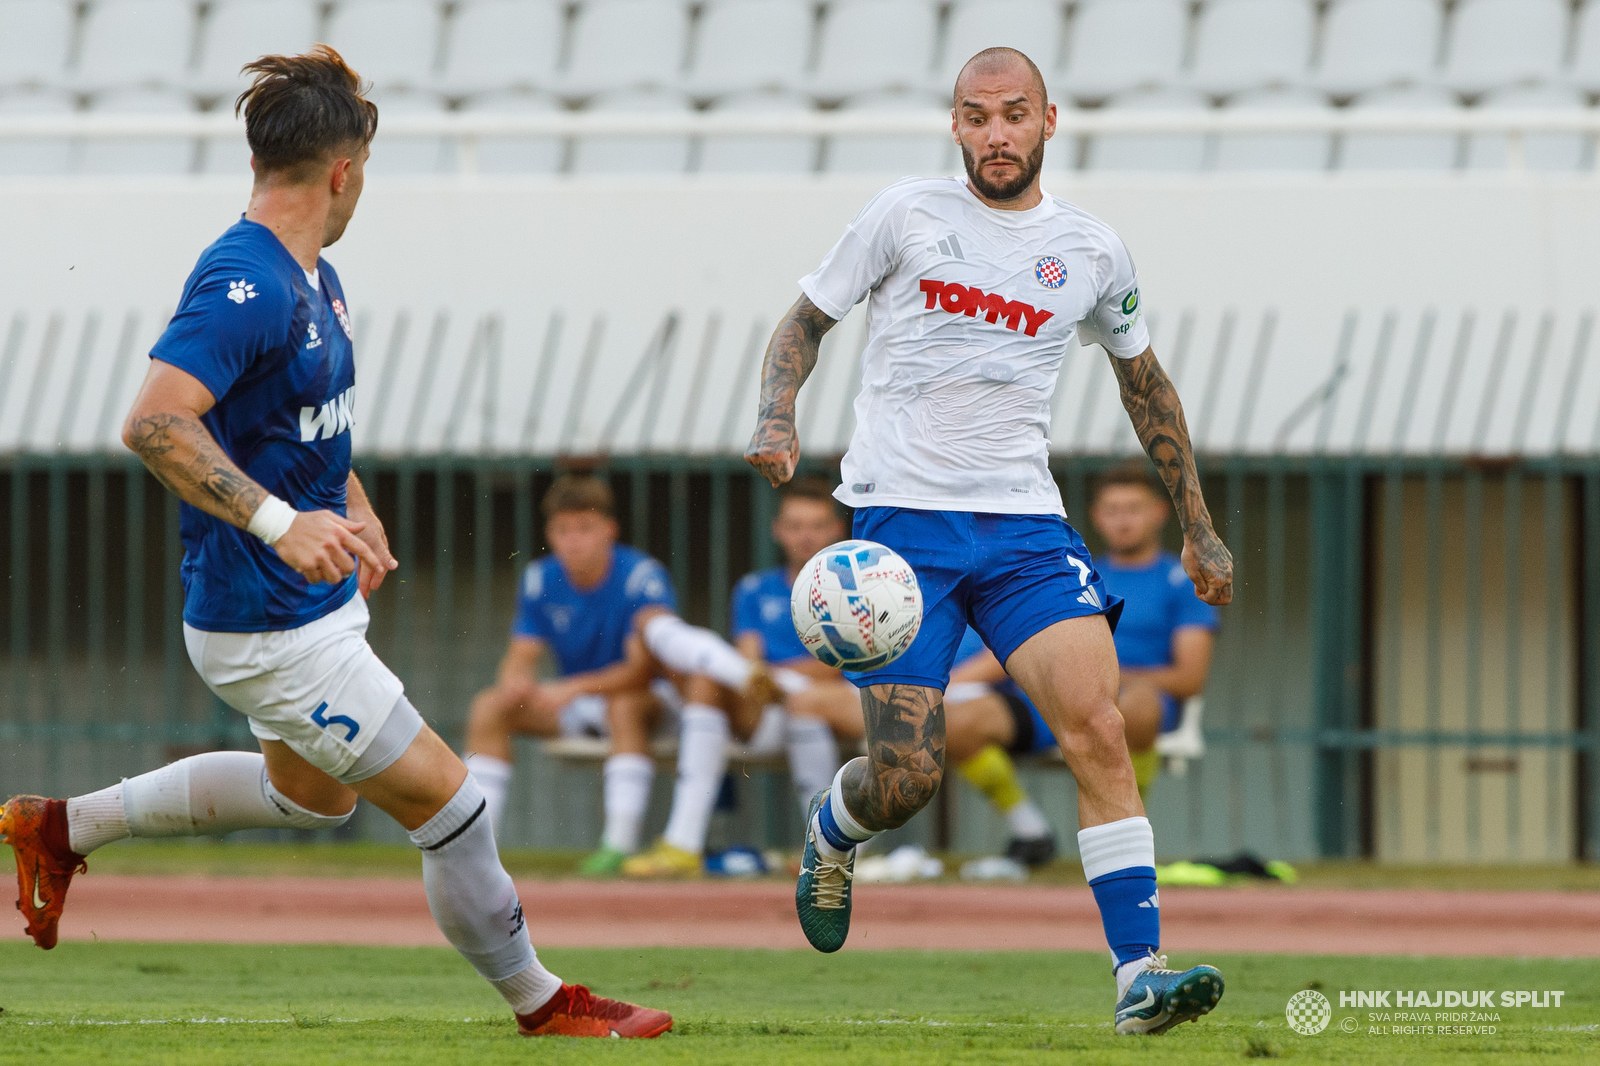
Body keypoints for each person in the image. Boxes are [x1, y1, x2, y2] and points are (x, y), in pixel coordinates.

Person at [0, 49, 670, 1039]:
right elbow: (153, 424)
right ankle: (541, 1000)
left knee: (305, 797)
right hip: (270, 624)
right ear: (345, 172)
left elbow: (291, 421)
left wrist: (346, 500)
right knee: (455, 809)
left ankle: (62, 825)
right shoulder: (247, 282)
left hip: (301, 606)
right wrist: (281, 520)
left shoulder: (316, 276)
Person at [743, 47, 1234, 1036]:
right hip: (899, 531)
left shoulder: (1090, 250)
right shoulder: (904, 215)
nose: (995, 134)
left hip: (1022, 527)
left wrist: (1199, 525)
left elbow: (1145, 385)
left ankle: (1139, 974)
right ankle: (836, 829)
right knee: (907, 781)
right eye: (976, 116)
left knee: (1096, 728)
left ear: (1048, 121)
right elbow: (804, 320)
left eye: (1014, 115)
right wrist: (775, 415)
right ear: (955, 124)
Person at [943, 464, 1222, 857]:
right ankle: (1030, 829)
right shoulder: (1071, 573)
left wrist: (1102, 676)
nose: (1122, 521)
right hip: (1053, 698)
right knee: (953, 723)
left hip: (1132, 702)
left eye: (1133, 509)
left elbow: (1190, 679)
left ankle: (1127, 830)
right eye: (1112, 510)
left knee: (1138, 705)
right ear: (1096, 517)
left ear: (1159, 512)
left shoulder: (1179, 581)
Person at [461, 475, 675, 878]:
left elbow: (642, 671)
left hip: (649, 704)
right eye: (563, 530)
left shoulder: (642, 576)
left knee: (624, 706)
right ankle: (475, 849)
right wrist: (515, 680)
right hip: (579, 704)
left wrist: (571, 687)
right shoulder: (540, 578)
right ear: (549, 534)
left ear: (609, 531)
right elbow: (521, 653)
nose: (574, 541)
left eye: (585, 529)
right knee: (490, 706)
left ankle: (619, 845)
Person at [726, 477, 853, 816]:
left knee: (804, 704)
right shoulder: (753, 589)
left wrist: (771, 676)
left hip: (843, 708)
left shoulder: (856, 590)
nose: (805, 536)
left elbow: (835, 667)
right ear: (777, 530)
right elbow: (748, 664)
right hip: (773, 711)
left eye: (817, 525)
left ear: (837, 529)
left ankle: (829, 837)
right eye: (795, 526)